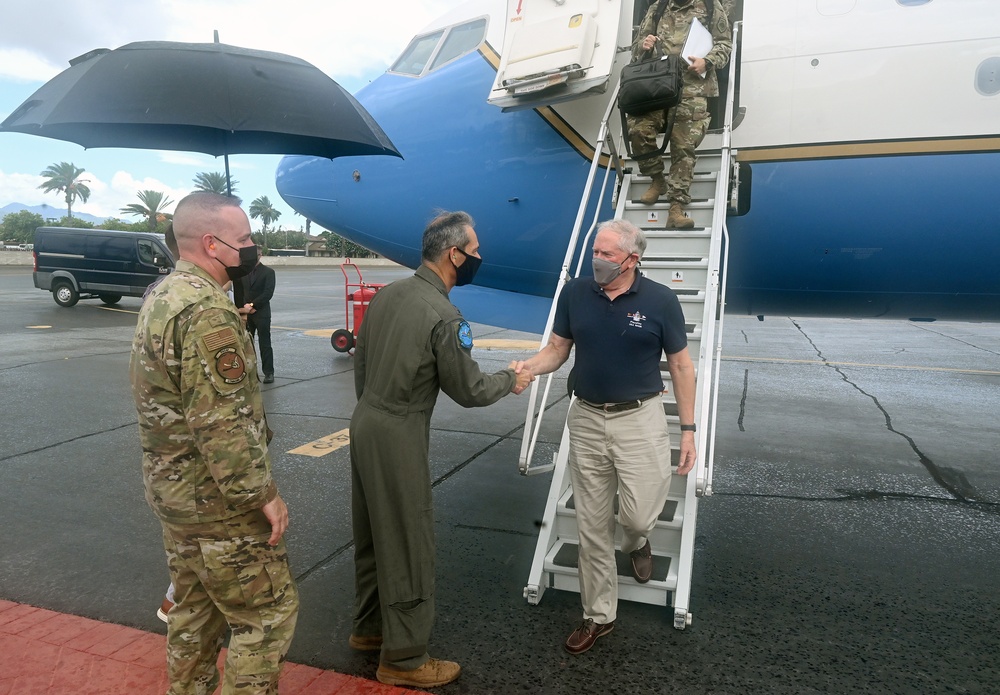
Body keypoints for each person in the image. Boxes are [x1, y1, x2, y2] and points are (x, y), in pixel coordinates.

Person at [348, 211, 533, 688]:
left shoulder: (388, 294)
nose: (479, 258)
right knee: (409, 540)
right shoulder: (444, 315)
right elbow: (469, 389)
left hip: (367, 419)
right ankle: (405, 658)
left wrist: (377, 411)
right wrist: (511, 379)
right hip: (398, 431)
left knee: (372, 533)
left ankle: (370, 630)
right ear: (454, 255)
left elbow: (362, 365)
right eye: (474, 251)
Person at [130, 191, 299, 694]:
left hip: (173, 493)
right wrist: (262, 495)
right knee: (266, 617)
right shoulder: (206, 312)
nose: (252, 247)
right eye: (244, 239)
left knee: (194, 613)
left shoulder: (161, 296)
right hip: (215, 502)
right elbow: (222, 425)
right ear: (212, 243)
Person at [514, 218, 697, 654]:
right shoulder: (576, 292)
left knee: (634, 517)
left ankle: (638, 540)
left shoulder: (661, 300)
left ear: (633, 259)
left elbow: (682, 366)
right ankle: (599, 616)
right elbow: (558, 349)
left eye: (607, 254)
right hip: (588, 420)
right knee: (593, 527)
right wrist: (526, 369)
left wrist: (688, 430)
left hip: (640, 420)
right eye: (595, 251)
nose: (597, 260)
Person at [629, 0, 733, 228]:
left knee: (683, 146)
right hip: (657, 83)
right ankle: (657, 179)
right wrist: (644, 45)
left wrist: (707, 62)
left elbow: (725, 45)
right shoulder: (659, 7)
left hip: (692, 87)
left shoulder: (709, 5)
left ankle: (676, 208)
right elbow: (637, 47)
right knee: (638, 130)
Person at [234, 248, 276, 383]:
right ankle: (248, 373)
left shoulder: (269, 272)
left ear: (260, 255)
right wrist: (242, 309)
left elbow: (268, 293)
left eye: (255, 255)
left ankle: (269, 373)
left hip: (261, 313)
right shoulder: (243, 273)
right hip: (246, 314)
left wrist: (252, 306)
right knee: (246, 344)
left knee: (265, 344)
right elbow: (239, 292)